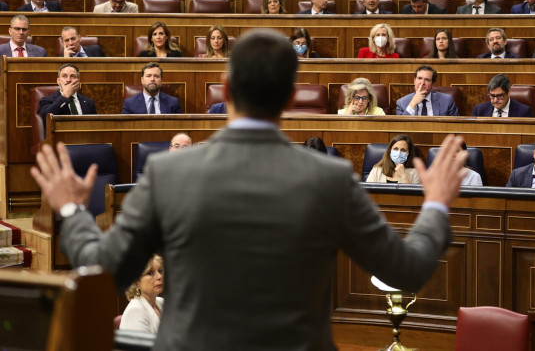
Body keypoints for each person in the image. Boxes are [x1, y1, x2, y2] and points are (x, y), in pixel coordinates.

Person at [30, 27, 466, 349]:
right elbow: (406, 270)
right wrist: (436, 206)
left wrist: (71, 210)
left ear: (228, 90)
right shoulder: (330, 178)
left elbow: (100, 275)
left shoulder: (168, 174)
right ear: (289, 97)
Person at [39, 63, 98, 133]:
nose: (68, 80)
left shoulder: (89, 102)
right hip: (59, 141)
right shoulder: (47, 100)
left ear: (78, 81)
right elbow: (46, 118)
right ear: (58, 81)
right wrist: (65, 95)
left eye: (72, 76)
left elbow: (94, 127)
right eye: (64, 76)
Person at [120, 255, 164, 333]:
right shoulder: (134, 312)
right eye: (150, 273)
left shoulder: (161, 302)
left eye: (160, 271)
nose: (159, 276)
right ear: (136, 282)